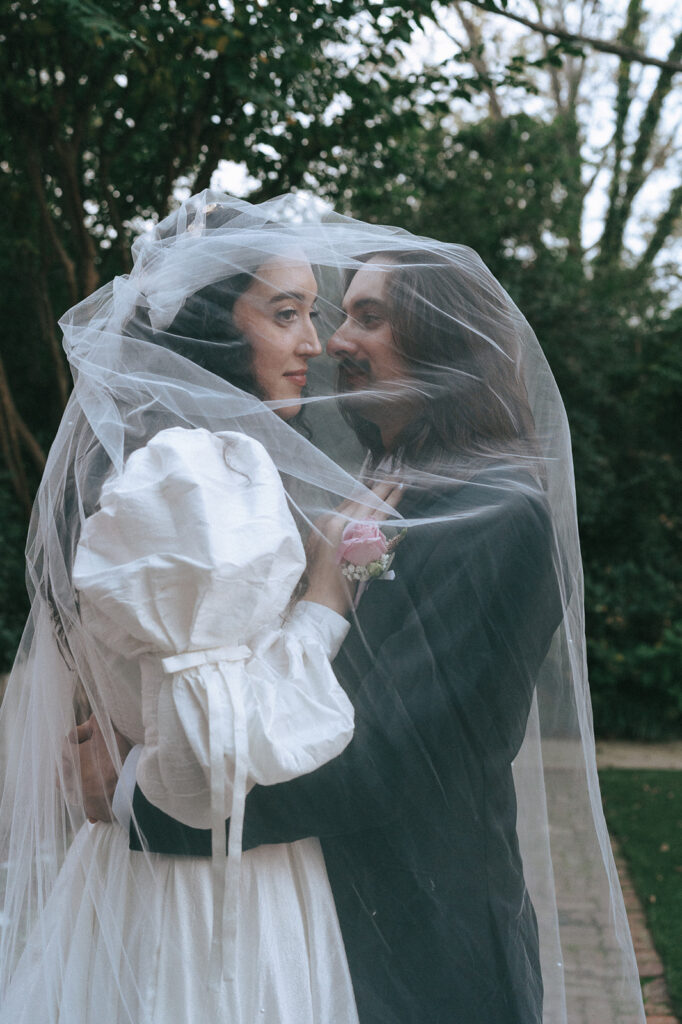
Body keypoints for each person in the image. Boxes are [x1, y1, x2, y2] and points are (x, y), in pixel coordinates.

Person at [1, 192, 646, 1024]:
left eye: (367, 316)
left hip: (412, 941)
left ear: (444, 341)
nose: (336, 339)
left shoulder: (497, 515)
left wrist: (136, 787)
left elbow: (384, 762)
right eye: (311, 313)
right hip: (274, 919)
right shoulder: (327, 482)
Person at [0, 193, 391, 1023]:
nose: (313, 344)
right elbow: (210, 769)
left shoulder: (154, 469)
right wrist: (321, 604)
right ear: (213, 327)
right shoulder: (196, 481)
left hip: (143, 875)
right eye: (286, 314)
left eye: (312, 314)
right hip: (210, 906)